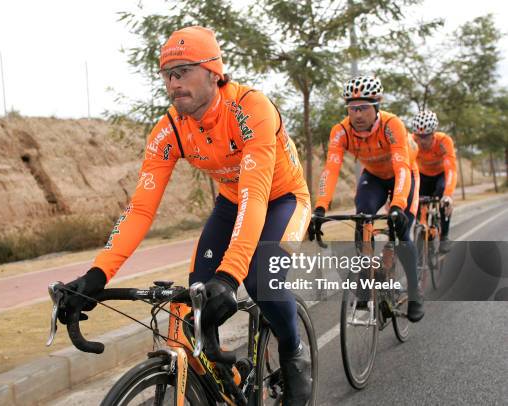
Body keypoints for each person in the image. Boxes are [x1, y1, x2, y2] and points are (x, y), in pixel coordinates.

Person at [59, 26, 312, 404]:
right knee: (195, 303)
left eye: (184, 71)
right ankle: (228, 375)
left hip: (283, 199)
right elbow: (141, 208)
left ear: (213, 71)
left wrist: (229, 276)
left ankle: (293, 354)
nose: (174, 83)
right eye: (168, 74)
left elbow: (256, 193)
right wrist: (97, 274)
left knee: (260, 279)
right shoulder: (169, 130)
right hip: (232, 201)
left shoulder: (250, 109)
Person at [310, 75, 424, 322]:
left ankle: (415, 293)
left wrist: (397, 207)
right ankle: (365, 280)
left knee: (402, 231)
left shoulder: (391, 125)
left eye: (363, 108)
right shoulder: (340, 132)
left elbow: (402, 167)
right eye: (352, 108)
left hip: (403, 174)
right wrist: (320, 207)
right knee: (362, 216)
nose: (357, 114)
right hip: (373, 177)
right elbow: (330, 169)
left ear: (376, 107)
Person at [411, 110, 457, 253]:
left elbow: (451, 168)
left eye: (425, 136)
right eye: (419, 136)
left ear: (433, 133)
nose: (422, 141)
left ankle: (444, 236)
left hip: (440, 176)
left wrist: (448, 194)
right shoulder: (412, 142)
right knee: (418, 204)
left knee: (444, 201)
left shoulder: (444, 141)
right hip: (423, 176)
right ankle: (421, 230)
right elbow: (406, 166)